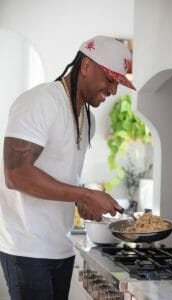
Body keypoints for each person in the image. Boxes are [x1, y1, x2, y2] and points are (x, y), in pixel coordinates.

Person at [0, 35, 136, 300]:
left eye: (118, 83)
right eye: (109, 80)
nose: (113, 91)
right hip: (27, 249)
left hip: (61, 248)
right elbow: (16, 175)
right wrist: (83, 195)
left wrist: (81, 200)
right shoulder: (39, 101)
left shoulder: (88, 119)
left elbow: (59, 173)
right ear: (86, 66)